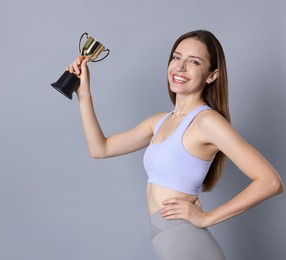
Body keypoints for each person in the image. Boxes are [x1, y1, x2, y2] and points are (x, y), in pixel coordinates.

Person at [65, 30, 283, 259]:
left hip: (186, 243)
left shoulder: (207, 121)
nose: (180, 67)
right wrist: (84, 93)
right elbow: (100, 149)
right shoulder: (159, 121)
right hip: (168, 240)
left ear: (212, 75)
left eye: (194, 62)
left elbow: (270, 181)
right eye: (176, 57)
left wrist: (207, 218)